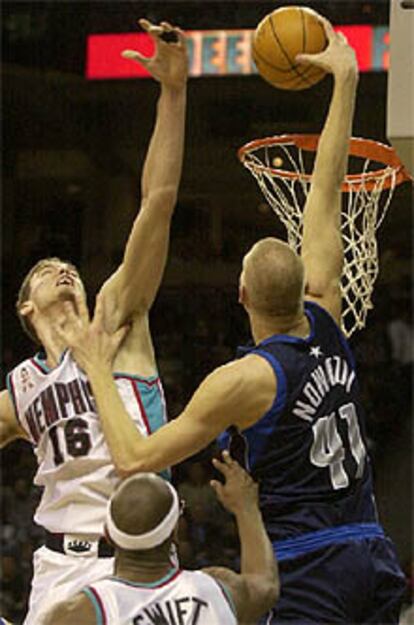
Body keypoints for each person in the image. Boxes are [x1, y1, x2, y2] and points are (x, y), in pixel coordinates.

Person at [54, 17, 406, 624]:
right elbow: (325, 198)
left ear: (240, 292)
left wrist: (93, 366)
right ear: (305, 286)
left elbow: (136, 458)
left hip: (305, 564)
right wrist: (345, 81)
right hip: (370, 546)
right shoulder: (328, 317)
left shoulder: (243, 380)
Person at [0, 18, 188, 625]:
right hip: (57, 568)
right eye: (46, 268)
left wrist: (173, 93)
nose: (63, 270)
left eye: (68, 265)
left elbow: (156, 202)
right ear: (26, 307)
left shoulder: (116, 317)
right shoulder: (20, 389)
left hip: (134, 558)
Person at [43, 452, 279, 625]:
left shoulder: (79, 614)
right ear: (176, 531)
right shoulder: (219, 588)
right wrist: (246, 508)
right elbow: (265, 584)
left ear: (108, 534)